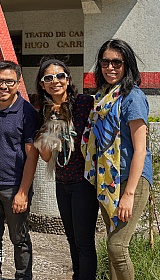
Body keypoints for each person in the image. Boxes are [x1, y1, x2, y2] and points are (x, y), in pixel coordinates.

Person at [81, 39, 153, 280]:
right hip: (108, 179)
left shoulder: (132, 97)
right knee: (113, 248)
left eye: (116, 62)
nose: (110, 67)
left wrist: (129, 194)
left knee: (117, 247)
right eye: (105, 62)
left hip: (131, 180)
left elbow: (140, 150)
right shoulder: (103, 96)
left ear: (127, 65)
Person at [34, 58, 98, 279]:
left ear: (68, 79)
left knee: (84, 242)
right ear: (42, 84)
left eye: (60, 76)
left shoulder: (84, 103)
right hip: (62, 183)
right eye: (48, 78)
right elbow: (45, 156)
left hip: (84, 183)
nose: (55, 81)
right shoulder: (44, 110)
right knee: (71, 240)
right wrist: (49, 126)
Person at [0, 60, 39, 279]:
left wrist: (23, 192)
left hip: (14, 186)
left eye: (9, 82)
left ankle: (23, 276)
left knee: (19, 239)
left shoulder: (27, 112)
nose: (3, 86)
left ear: (18, 82)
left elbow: (32, 155)